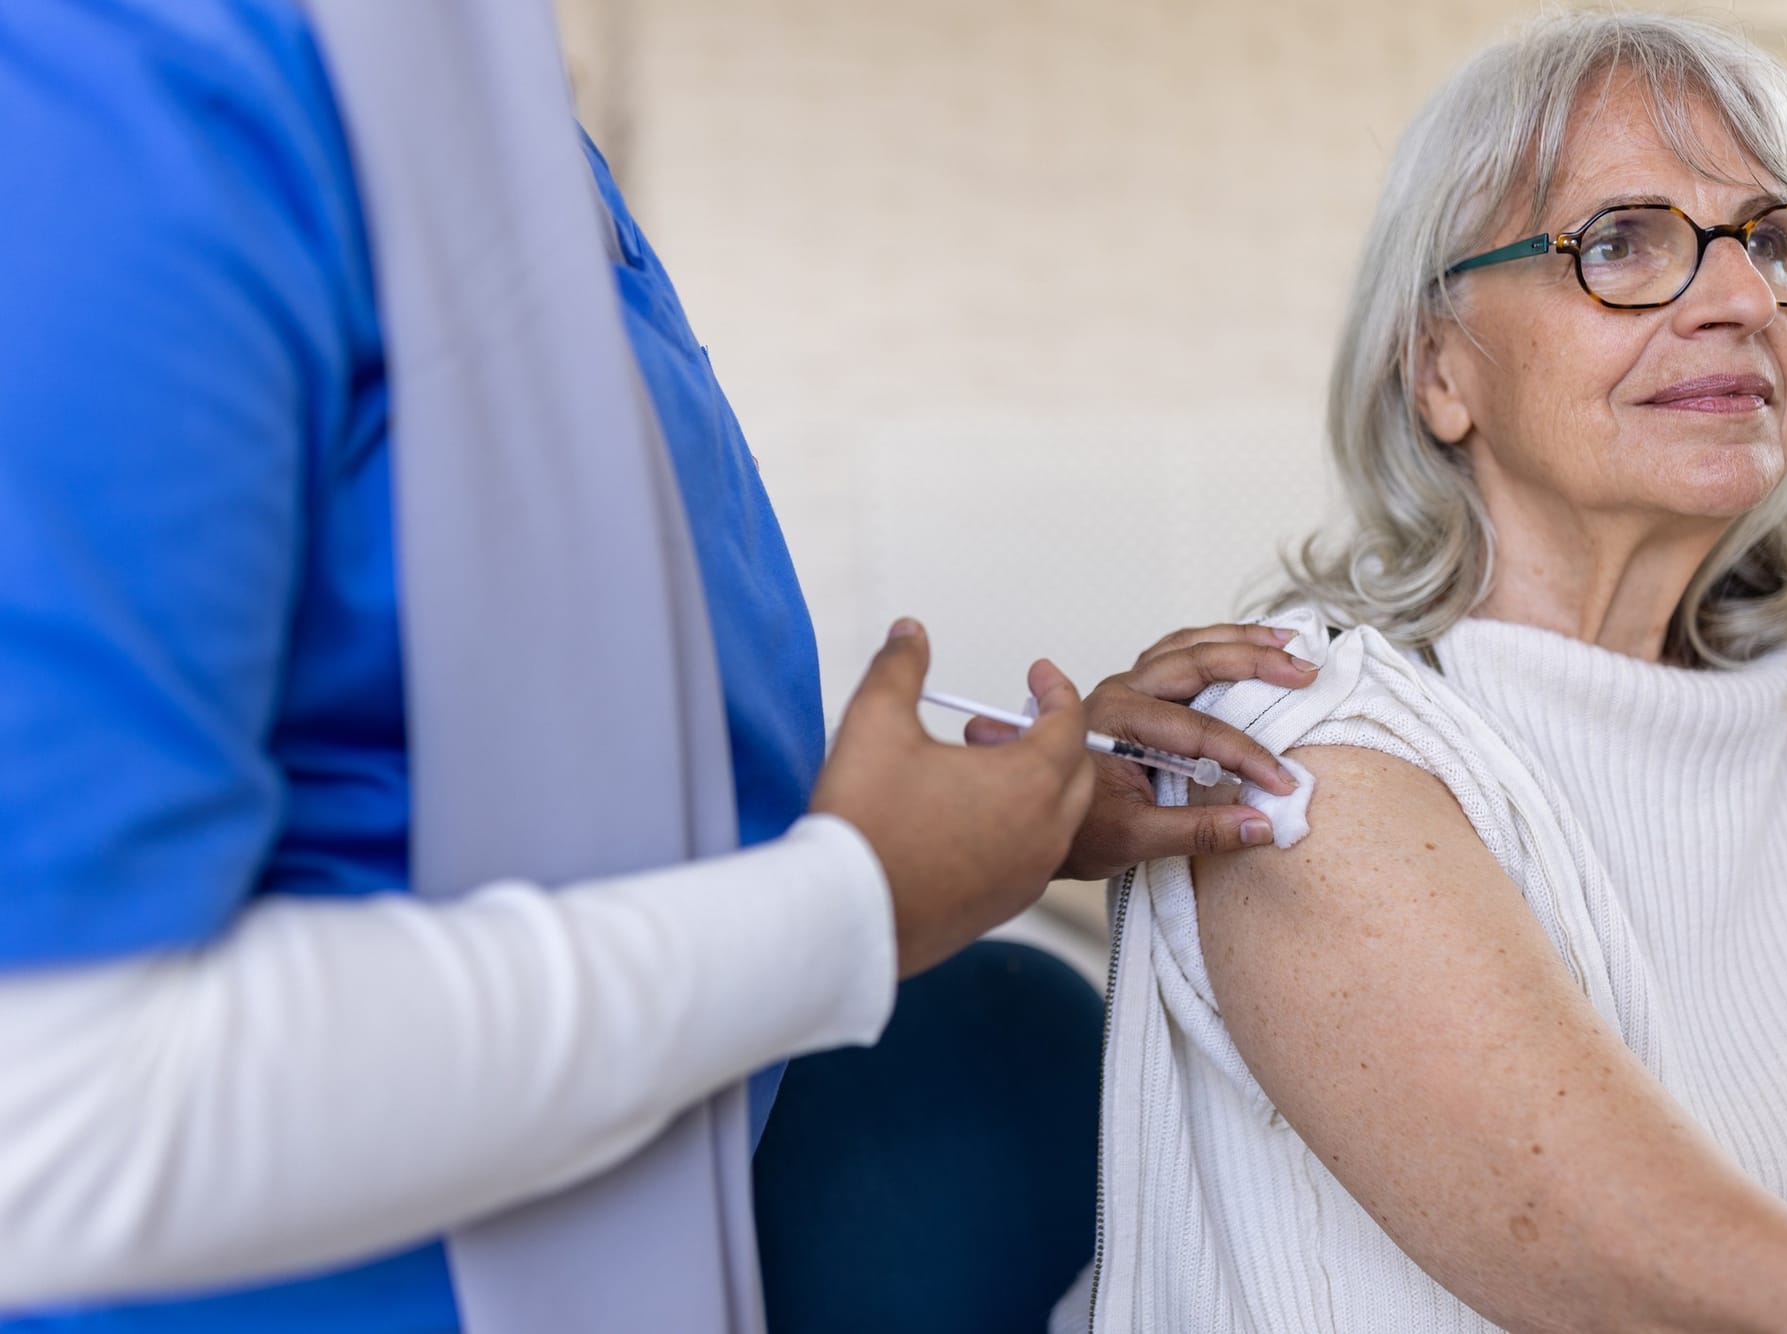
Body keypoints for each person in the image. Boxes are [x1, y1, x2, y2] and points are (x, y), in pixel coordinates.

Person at [0, 1, 1317, 1330]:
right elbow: (47, 1116)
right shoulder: (142, 86)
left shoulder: (495, 119)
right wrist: (843, 906)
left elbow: (512, 734)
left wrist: (1002, 808)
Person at [1069, 12, 1787, 1332]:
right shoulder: (1300, 744)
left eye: (1773, 241)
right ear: (1440, 367)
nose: (1742, 300)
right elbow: (1652, 1271)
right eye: (1621, 241)